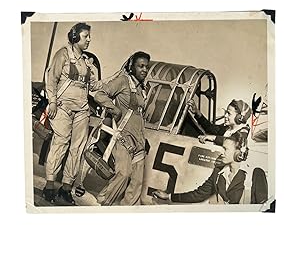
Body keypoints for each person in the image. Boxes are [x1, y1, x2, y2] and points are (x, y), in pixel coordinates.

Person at [43, 22, 103, 205]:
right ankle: (50, 186)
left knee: (77, 148)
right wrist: (51, 102)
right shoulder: (62, 54)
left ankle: (66, 188)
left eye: (89, 36)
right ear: (75, 37)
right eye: (86, 36)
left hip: (82, 110)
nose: (89, 40)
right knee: (60, 143)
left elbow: (93, 87)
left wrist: (110, 78)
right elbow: (51, 79)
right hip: (62, 107)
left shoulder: (86, 63)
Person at [93, 51, 150, 206]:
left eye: (146, 67)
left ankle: (128, 211)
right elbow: (100, 94)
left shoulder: (142, 90)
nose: (144, 70)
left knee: (137, 182)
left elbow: (139, 116)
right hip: (123, 137)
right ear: (132, 67)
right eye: (141, 66)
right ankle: (104, 202)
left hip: (138, 141)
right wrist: (114, 109)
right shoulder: (123, 81)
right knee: (123, 174)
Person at [153, 132, 268, 205]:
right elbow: (199, 194)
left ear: (238, 152)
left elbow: (265, 209)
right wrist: (169, 196)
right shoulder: (218, 173)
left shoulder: (255, 174)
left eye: (225, 149)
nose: (221, 153)